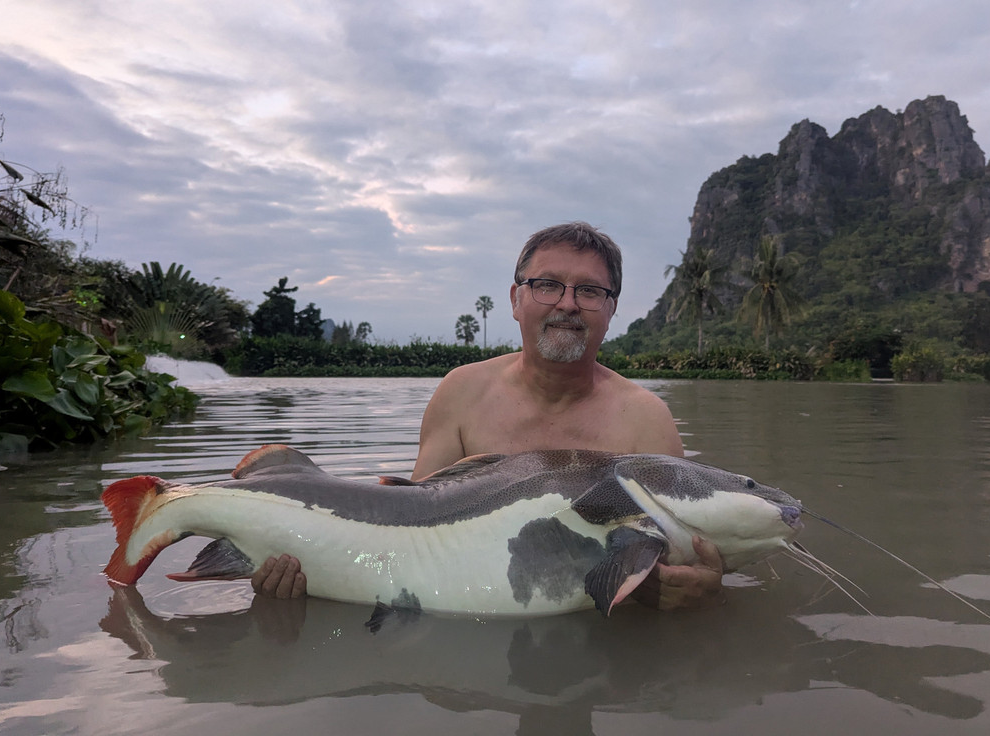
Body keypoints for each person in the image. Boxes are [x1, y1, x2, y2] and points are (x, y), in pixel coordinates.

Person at [252, 222, 725, 609]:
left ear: (610, 309)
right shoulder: (462, 392)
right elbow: (409, 530)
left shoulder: (646, 419)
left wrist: (702, 586)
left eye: (589, 291)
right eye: (547, 285)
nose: (567, 303)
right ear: (517, 300)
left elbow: (675, 554)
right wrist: (305, 563)